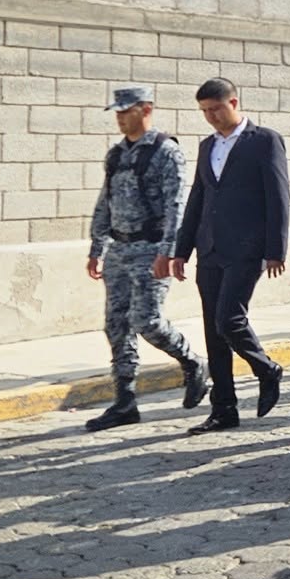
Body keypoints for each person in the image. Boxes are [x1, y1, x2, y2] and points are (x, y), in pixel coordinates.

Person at [164, 78, 289, 433]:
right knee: (213, 331)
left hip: (246, 248)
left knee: (229, 320)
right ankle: (224, 409)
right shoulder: (208, 145)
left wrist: (275, 249)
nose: (211, 116)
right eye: (204, 111)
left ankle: (266, 368)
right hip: (210, 248)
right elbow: (198, 198)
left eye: (216, 109)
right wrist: (181, 250)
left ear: (233, 103)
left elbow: (278, 195)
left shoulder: (264, 140)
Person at [83, 86, 207, 431]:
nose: (121, 118)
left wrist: (169, 251)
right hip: (119, 251)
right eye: (118, 112)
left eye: (127, 111)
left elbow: (175, 206)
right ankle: (125, 401)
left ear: (146, 109)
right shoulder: (116, 154)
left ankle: (192, 362)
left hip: (151, 249)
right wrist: (97, 247)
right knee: (116, 325)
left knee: (147, 321)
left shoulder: (165, 151)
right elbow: (105, 202)